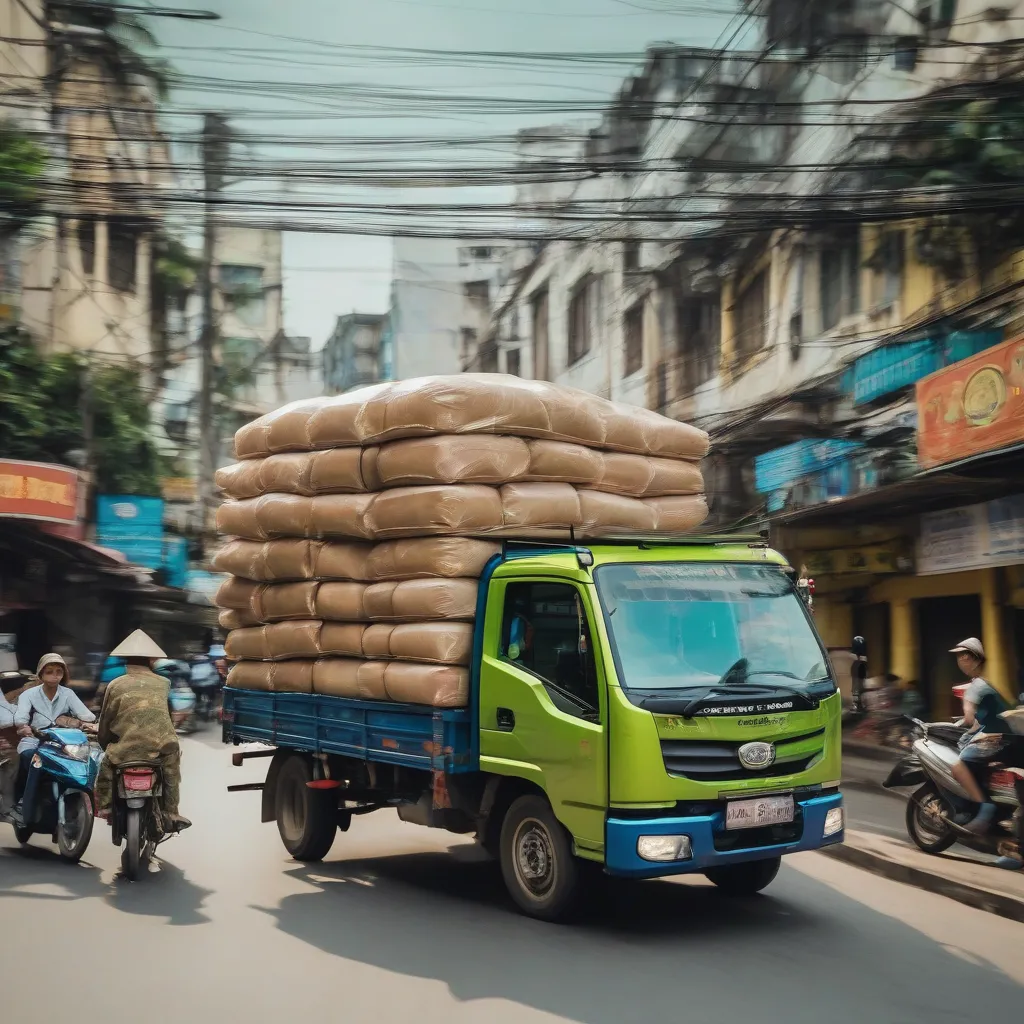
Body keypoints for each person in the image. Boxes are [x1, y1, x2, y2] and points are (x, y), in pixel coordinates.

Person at [94, 630, 191, 832]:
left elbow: (106, 720)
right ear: (152, 660)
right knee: (171, 771)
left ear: (126, 660)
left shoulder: (115, 684)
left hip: (124, 751)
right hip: (161, 749)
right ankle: (171, 813)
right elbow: (168, 715)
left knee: (105, 769)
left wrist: (105, 744)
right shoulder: (164, 683)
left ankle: (106, 808)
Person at [13, 653, 97, 823]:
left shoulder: (68, 694)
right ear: (41, 674)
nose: (54, 675)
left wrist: (83, 722)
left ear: (63, 674)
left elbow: (87, 716)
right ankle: (22, 801)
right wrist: (25, 728)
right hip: (35, 739)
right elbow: (20, 719)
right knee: (29, 757)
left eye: (58, 671)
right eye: (49, 671)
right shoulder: (29, 695)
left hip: (60, 741)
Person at [948, 638, 1012, 833]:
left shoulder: (974, 687)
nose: (960, 660)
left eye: (962, 656)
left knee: (958, 767)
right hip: (1007, 739)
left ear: (970, 658)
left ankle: (984, 807)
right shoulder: (986, 685)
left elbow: (969, 719)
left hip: (993, 738)